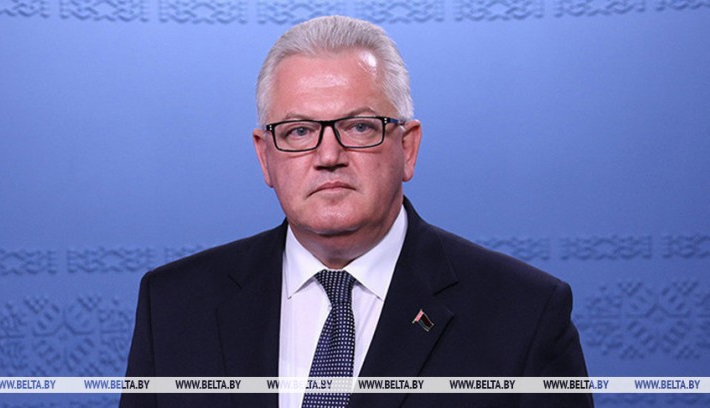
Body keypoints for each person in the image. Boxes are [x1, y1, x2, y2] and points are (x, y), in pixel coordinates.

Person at [121, 15, 593, 408]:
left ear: (408, 148)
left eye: (359, 127)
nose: (328, 155)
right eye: (299, 131)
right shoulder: (174, 305)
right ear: (265, 156)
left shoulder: (525, 314)